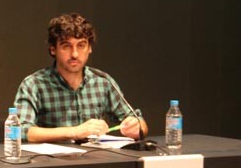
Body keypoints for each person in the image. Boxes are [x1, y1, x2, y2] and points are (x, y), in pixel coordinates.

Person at [14, 12, 148, 143]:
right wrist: (75, 132)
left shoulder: (102, 81)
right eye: (66, 46)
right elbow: (20, 130)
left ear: (89, 48)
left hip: (95, 159)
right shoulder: (34, 84)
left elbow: (139, 123)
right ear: (53, 49)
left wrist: (137, 127)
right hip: (51, 161)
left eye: (81, 45)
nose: (75, 54)